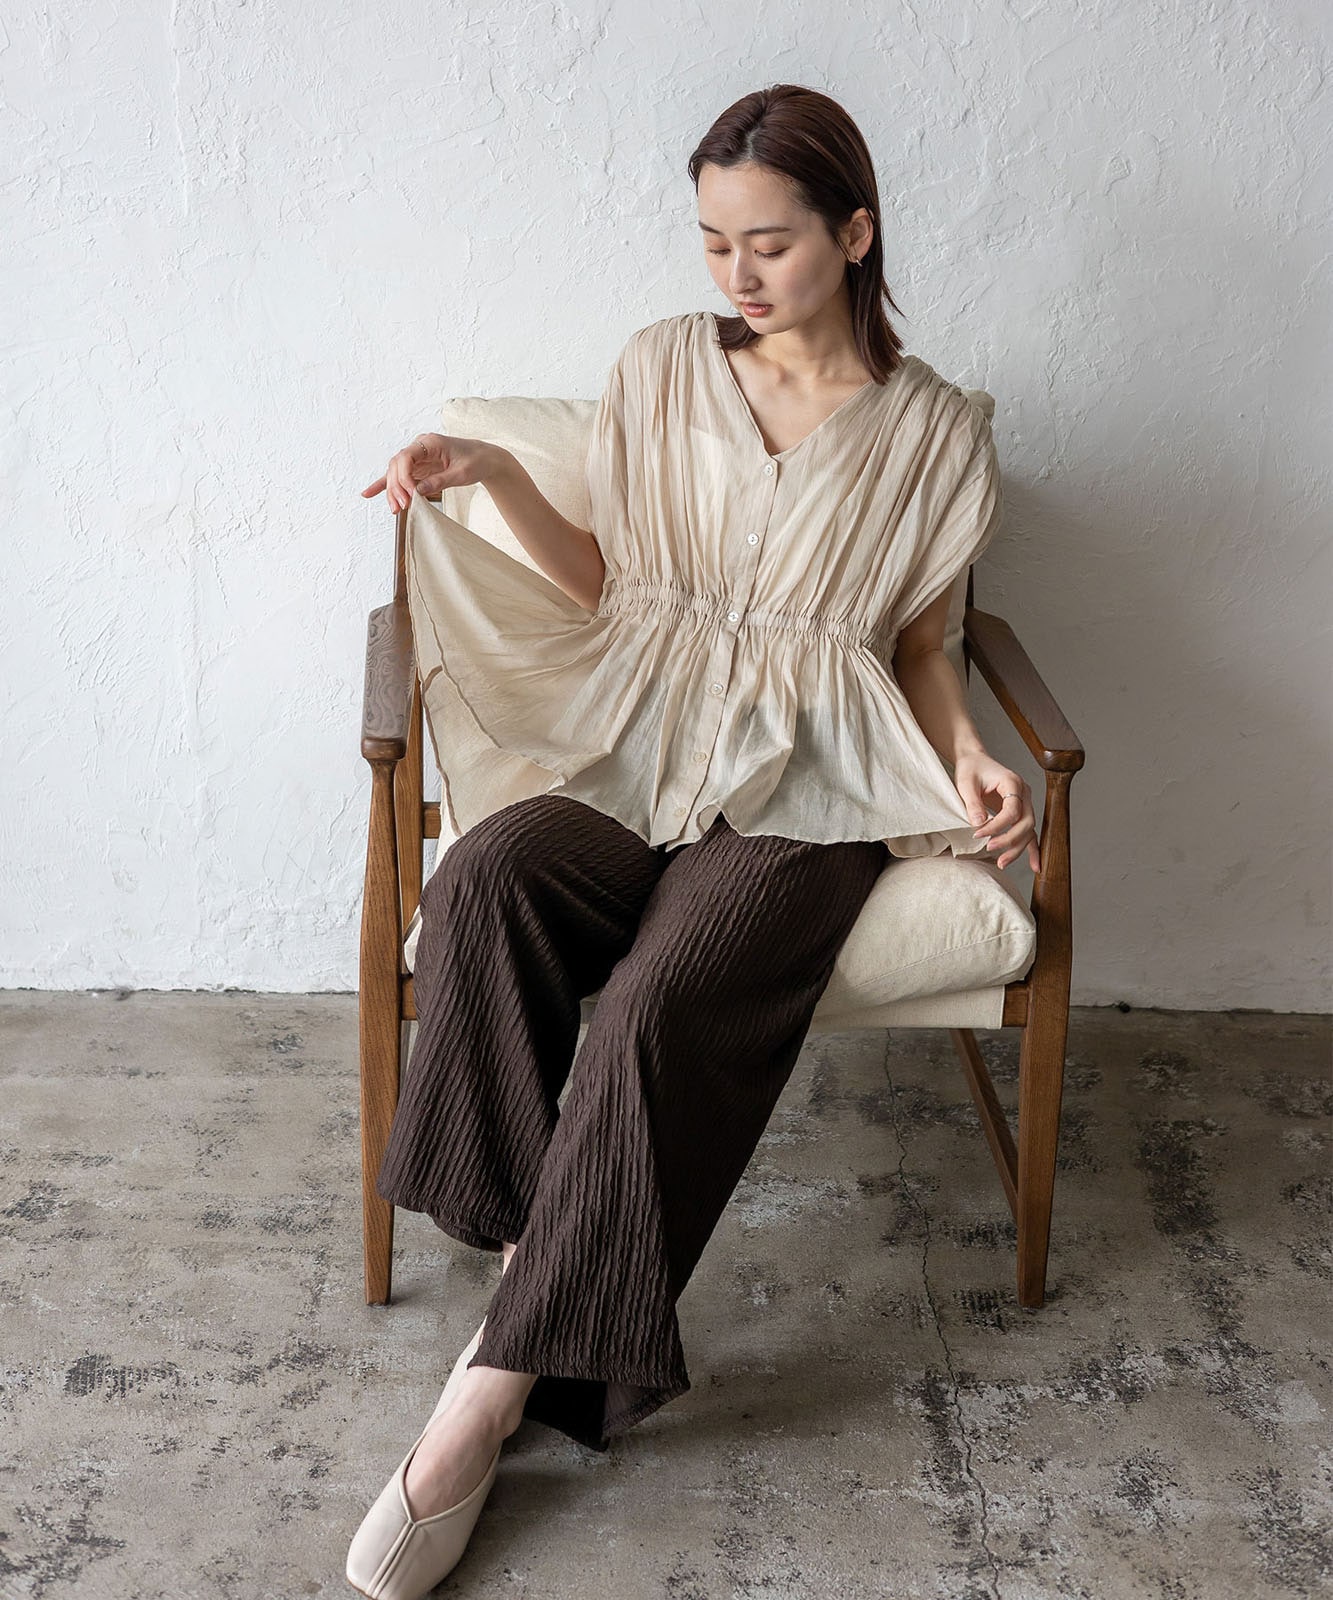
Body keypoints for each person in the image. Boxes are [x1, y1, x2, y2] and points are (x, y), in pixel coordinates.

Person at [347, 83, 1039, 1599]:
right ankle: (545, 1264)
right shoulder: (662, 365)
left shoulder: (937, 433)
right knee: (488, 877)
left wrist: (971, 753)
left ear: (855, 233)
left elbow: (925, 645)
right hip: (639, 730)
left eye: (769, 242)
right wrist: (495, 477)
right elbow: (613, 586)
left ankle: (483, 1398)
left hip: (816, 779)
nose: (737, 272)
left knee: (663, 1000)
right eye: (715, 241)